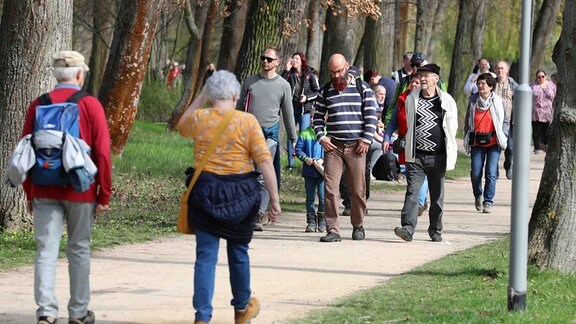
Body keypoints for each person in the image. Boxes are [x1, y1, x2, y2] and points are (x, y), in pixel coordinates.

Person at [177, 70, 281, 324]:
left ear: (212, 95)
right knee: (239, 253)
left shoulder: (201, 118)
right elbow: (265, 162)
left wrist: (203, 93)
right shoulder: (247, 122)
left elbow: (182, 126)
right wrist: (275, 201)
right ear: (235, 95)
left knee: (205, 257)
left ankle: (202, 317)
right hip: (241, 194)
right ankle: (241, 309)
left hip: (205, 192)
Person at [20, 51, 112, 324]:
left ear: (54, 76)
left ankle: (46, 313)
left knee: (45, 251)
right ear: (80, 75)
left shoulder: (38, 105)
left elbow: (26, 151)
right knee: (79, 249)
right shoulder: (90, 105)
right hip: (81, 190)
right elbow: (103, 153)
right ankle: (79, 313)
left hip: (43, 189)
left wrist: (29, 192)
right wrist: (103, 193)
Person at [313, 54, 378, 242]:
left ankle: (358, 225)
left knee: (357, 189)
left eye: (339, 71)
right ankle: (333, 230)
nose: (336, 76)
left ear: (347, 67)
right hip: (333, 146)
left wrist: (366, 140)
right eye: (332, 72)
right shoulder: (325, 91)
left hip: (357, 146)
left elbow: (371, 116)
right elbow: (317, 117)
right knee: (330, 189)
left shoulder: (362, 88)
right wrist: (321, 137)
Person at [393, 63, 458, 243]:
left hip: (438, 156)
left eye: (426, 75)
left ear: (435, 79)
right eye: (420, 75)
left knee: (437, 197)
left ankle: (436, 230)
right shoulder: (412, 98)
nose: (422, 78)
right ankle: (407, 228)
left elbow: (453, 127)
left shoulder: (446, 100)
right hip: (416, 155)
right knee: (412, 191)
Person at [237, 46, 297, 231]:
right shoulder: (250, 82)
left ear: (277, 62)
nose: (265, 61)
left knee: (262, 176)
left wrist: (292, 137)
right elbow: (239, 108)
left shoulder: (283, 86)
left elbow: (288, 113)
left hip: (269, 136)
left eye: (269, 59)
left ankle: (258, 214)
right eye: (263, 58)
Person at [383, 73, 429, 216]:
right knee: (411, 175)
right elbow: (393, 122)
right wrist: (386, 137)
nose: (414, 85)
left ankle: (419, 203)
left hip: (423, 142)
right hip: (406, 143)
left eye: (417, 83)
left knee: (423, 174)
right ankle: (417, 200)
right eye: (412, 83)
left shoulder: (426, 100)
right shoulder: (402, 99)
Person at [463, 73, 507, 213]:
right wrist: (466, 135)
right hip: (477, 142)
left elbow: (504, 120)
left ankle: (488, 201)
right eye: (479, 83)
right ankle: (478, 194)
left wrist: (503, 135)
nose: (480, 86)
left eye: (483, 84)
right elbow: (467, 121)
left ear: (491, 86)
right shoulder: (473, 101)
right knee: (476, 173)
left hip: (493, 143)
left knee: (491, 173)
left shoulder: (498, 101)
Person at [281, 52, 320, 172]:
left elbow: (317, 92)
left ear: (302, 61)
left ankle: (306, 162)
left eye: (296, 59)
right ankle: (291, 164)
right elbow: (280, 85)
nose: (294, 60)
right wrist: (286, 70)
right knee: (291, 135)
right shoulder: (290, 74)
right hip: (292, 108)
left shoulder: (309, 74)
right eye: (293, 58)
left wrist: (306, 98)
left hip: (305, 109)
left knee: (304, 135)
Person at [295, 111, 325, 232]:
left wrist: (322, 160)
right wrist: (305, 158)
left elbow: (331, 150)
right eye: (311, 117)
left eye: (315, 118)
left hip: (322, 172)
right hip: (309, 171)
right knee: (310, 197)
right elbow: (298, 149)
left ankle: (322, 219)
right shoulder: (304, 133)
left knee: (323, 197)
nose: (313, 120)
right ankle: (311, 221)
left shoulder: (326, 133)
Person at [493, 61, 518, 180]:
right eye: (497, 68)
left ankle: (508, 166)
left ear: (507, 71)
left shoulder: (513, 85)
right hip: (494, 120)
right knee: (495, 146)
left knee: (510, 147)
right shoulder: (491, 83)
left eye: (502, 68)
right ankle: (494, 169)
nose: (500, 70)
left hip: (509, 121)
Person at [530, 69, 556, 154]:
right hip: (536, 113)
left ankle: (545, 146)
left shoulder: (551, 85)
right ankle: (537, 148)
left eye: (542, 76)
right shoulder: (532, 86)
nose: (541, 78)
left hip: (547, 113)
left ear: (545, 77)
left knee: (546, 131)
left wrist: (545, 88)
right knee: (536, 131)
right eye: (539, 77)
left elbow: (553, 96)